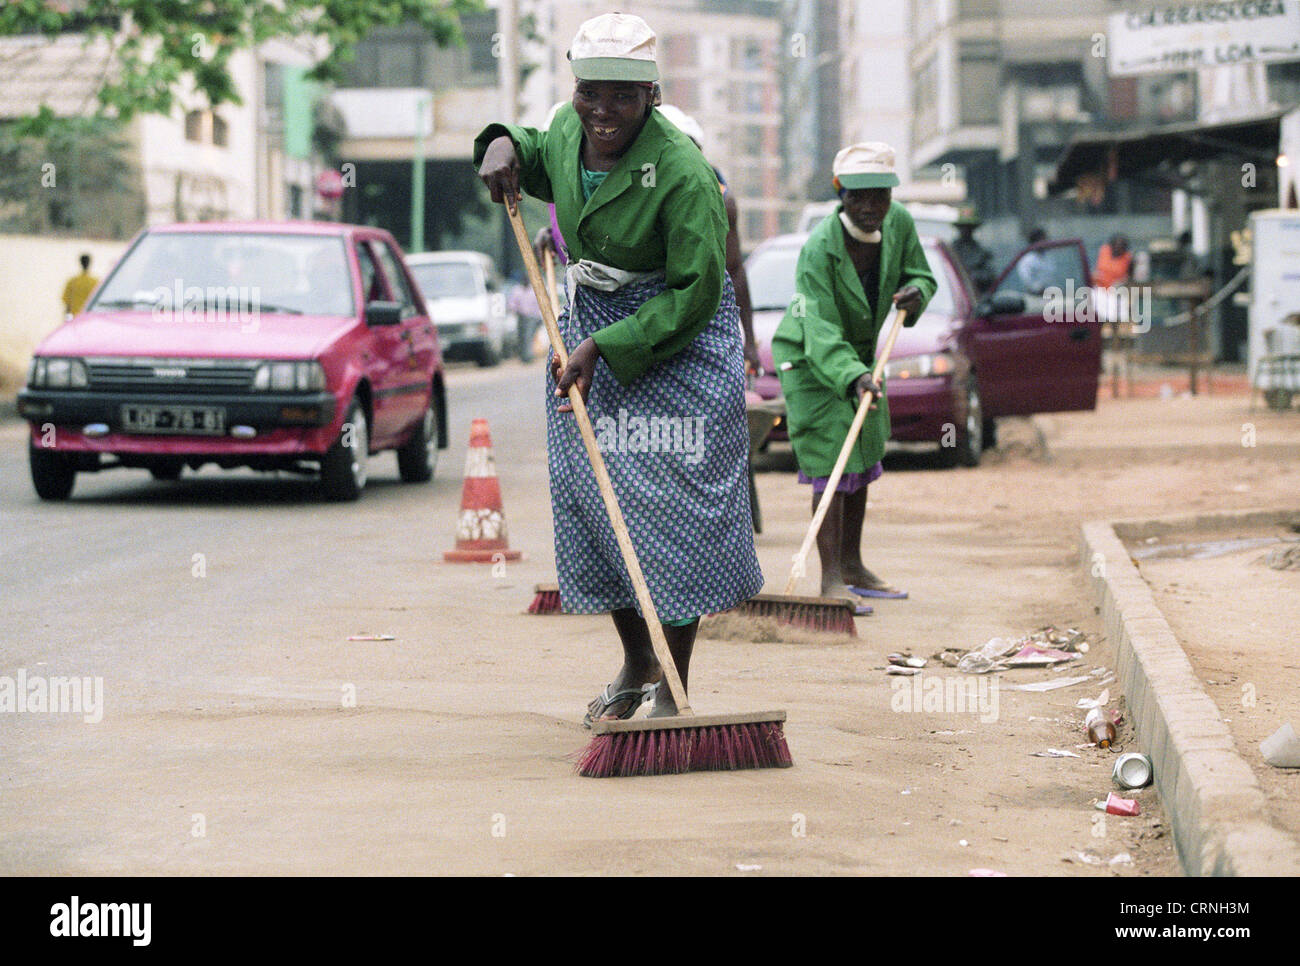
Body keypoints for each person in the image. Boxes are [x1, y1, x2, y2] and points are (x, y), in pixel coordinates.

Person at [475, 12, 763, 724]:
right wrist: (501, 147)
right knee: (597, 502)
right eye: (590, 93)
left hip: (676, 344)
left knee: (675, 512)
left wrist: (606, 347)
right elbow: (531, 151)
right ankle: (637, 660)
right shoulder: (572, 131)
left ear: (652, 98)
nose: (603, 112)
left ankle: (674, 682)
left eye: (622, 98)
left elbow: (697, 293)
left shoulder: (685, 174)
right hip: (587, 336)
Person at [771, 142, 935, 602]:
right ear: (840, 193)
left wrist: (915, 292)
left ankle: (855, 567)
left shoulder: (898, 223)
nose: (869, 208)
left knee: (861, 452)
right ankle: (830, 582)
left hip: (860, 359)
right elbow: (818, 327)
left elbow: (920, 274)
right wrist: (851, 375)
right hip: (810, 359)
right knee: (831, 460)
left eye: (879, 196)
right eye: (857, 196)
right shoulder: (819, 248)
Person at [950, 207, 995, 294]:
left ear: (973, 229)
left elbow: (990, 275)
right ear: (959, 228)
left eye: (969, 227)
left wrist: (974, 276)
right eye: (963, 227)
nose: (966, 230)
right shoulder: (951, 250)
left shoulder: (982, 253)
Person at [1017, 227, 1052, 295]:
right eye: (1043, 240)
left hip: (1053, 295)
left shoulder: (1048, 257)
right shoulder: (1027, 260)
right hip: (1035, 298)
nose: (1046, 242)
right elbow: (1028, 284)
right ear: (1035, 242)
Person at [61, 253, 98, 318]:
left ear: (80, 263)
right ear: (89, 263)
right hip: (90, 317)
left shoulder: (72, 282)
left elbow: (67, 304)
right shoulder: (95, 282)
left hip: (76, 317)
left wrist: (67, 319)